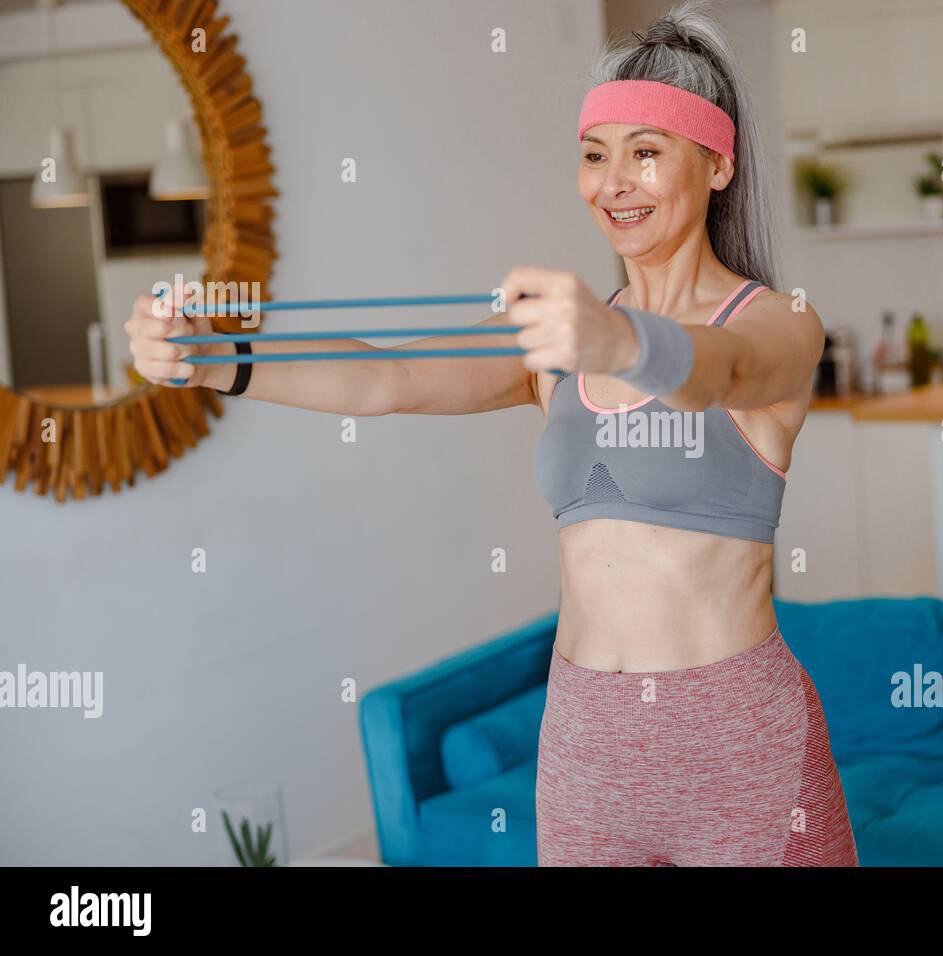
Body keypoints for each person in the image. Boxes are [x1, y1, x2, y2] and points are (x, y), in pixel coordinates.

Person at [124, 0, 857, 867]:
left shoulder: (778, 322)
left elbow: (724, 369)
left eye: (646, 153)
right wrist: (216, 361)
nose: (614, 182)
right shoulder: (555, 347)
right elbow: (383, 378)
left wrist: (619, 339)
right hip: (585, 744)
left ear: (719, 164)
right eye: (594, 156)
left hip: (738, 746)